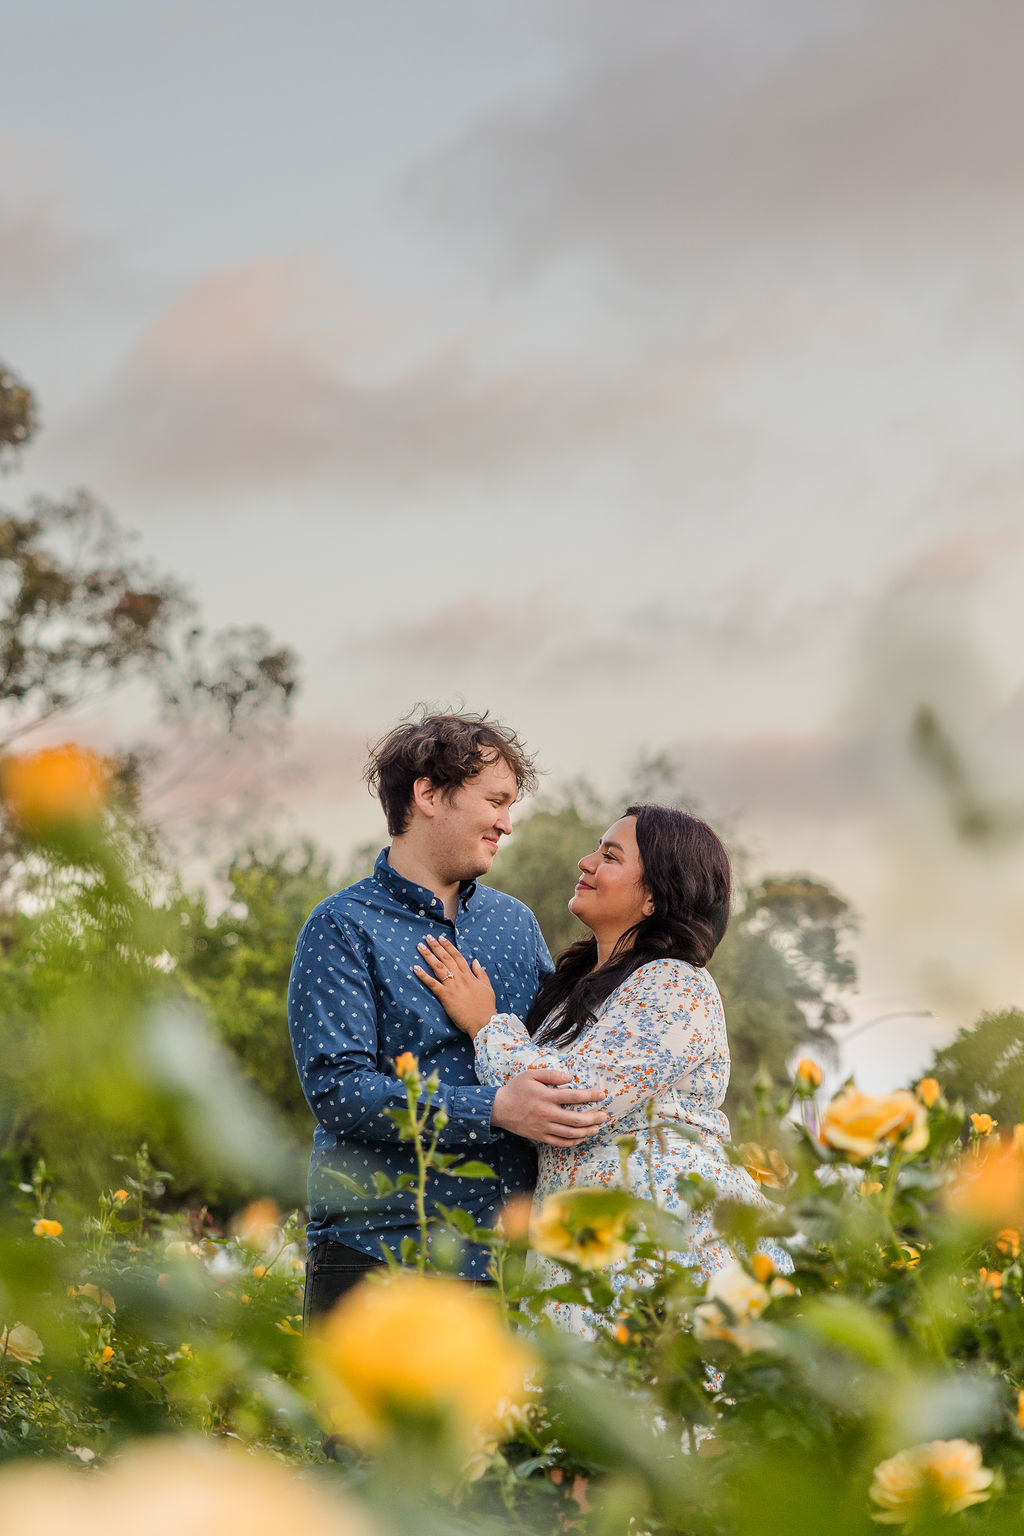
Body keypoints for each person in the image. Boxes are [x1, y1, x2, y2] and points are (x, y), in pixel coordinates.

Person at [414, 802, 792, 1337]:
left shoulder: (677, 985)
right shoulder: (574, 995)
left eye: (609, 855)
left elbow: (575, 1102)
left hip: (663, 1249)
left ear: (655, 896)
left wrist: (484, 1024)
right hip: (584, 1249)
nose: (585, 861)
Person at [288, 710, 610, 1326]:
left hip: (508, 1271)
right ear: (429, 794)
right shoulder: (341, 927)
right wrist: (493, 1109)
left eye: (510, 805)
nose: (506, 824)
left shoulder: (513, 925)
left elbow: (548, 1056)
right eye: (494, 801)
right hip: (379, 1255)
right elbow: (338, 1091)